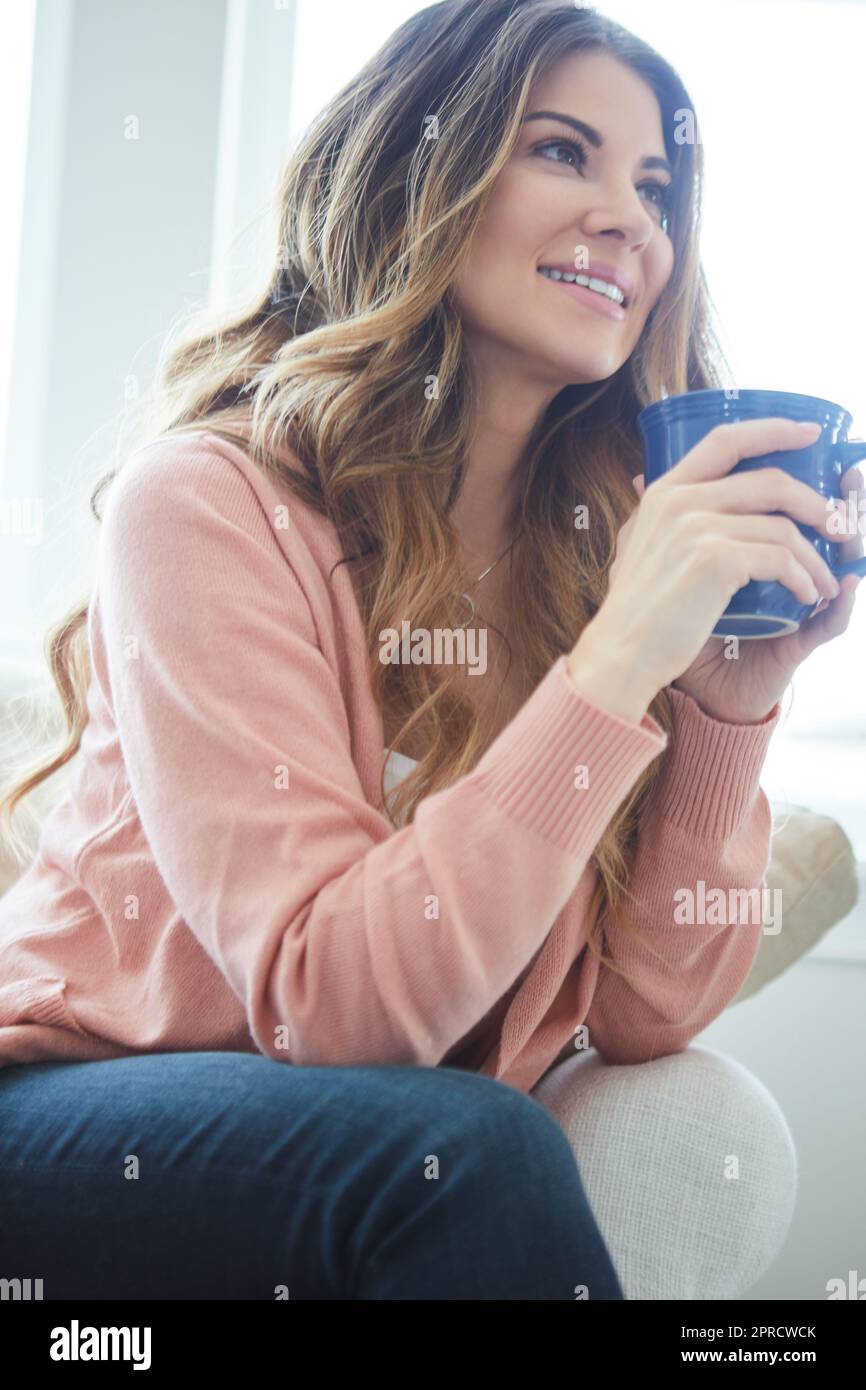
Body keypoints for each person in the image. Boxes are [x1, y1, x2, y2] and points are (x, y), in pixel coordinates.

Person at [0, 0, 860, 1301]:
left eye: (655, 184)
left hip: (391, 1143)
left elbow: (643, 1018)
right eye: (563, 151)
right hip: (73, 1110)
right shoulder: (208, 502)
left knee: (467, 1148)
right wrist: (620, 657)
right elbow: (328, 1011)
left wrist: (731, 706)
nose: (632, 218)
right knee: (466, 1155)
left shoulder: (592, 560)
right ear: (417, 170)